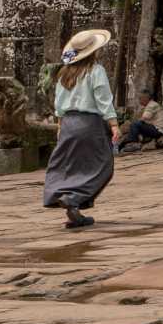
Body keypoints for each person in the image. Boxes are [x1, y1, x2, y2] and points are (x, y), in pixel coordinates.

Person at [45, 29, 117, 229]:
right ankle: (74, 198)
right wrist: (113, 123)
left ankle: (71, 207)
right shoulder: (95, 70)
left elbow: (58, 103)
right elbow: (103, 98)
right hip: (89, 124)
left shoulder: (64, 72)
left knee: (69, 166)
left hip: (68, 123)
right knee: (102, 165)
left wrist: (60, 125)